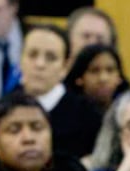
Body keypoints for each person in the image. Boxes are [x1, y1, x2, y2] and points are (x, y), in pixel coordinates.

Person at [19, 24, 102, 158]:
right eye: (32, 55)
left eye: (51, 57)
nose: (40, 64)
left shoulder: (88, 116)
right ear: (20, 59)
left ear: (65, 66)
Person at [64, 43, 130, 116]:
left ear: (119, 78)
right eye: (94, 71)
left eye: (110, 70)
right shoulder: (66, 113)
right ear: (79, 79)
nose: (103, 78)